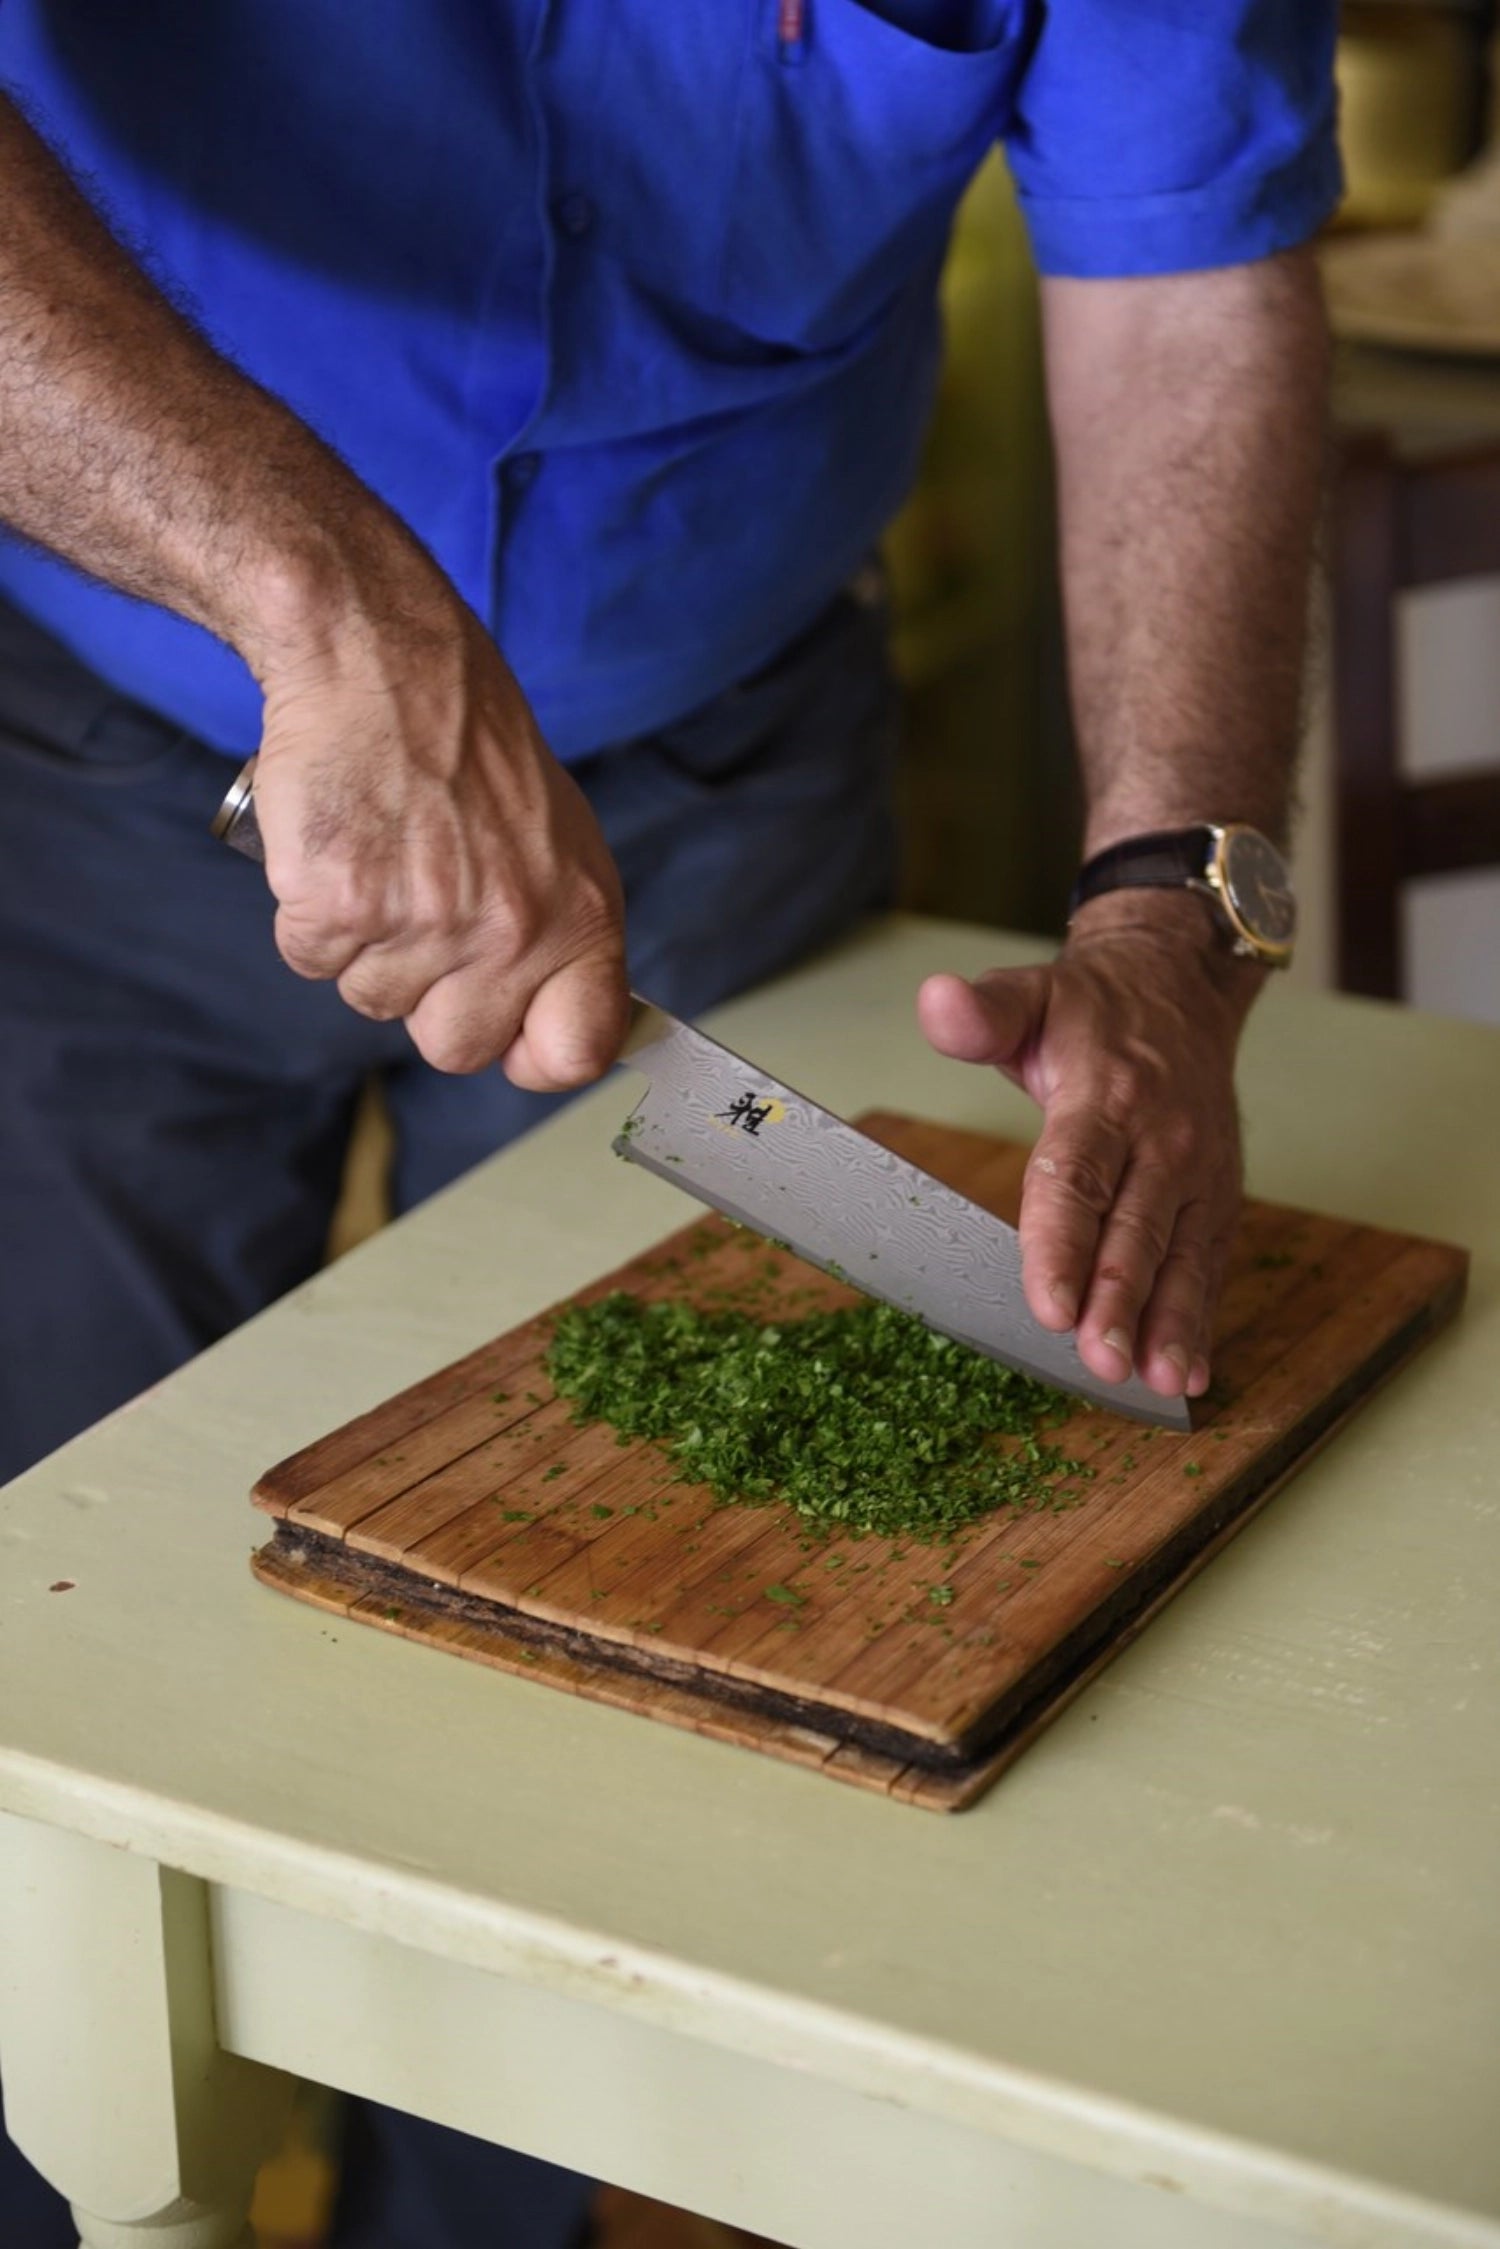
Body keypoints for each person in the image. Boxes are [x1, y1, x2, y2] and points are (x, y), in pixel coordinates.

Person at [0, 4, 1337, 2243]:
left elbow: (1192, 270)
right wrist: (320, 600)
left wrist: (1180, 904)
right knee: (39, 1640)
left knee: (611, 1710)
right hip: (88, 739)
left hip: (726, 762)